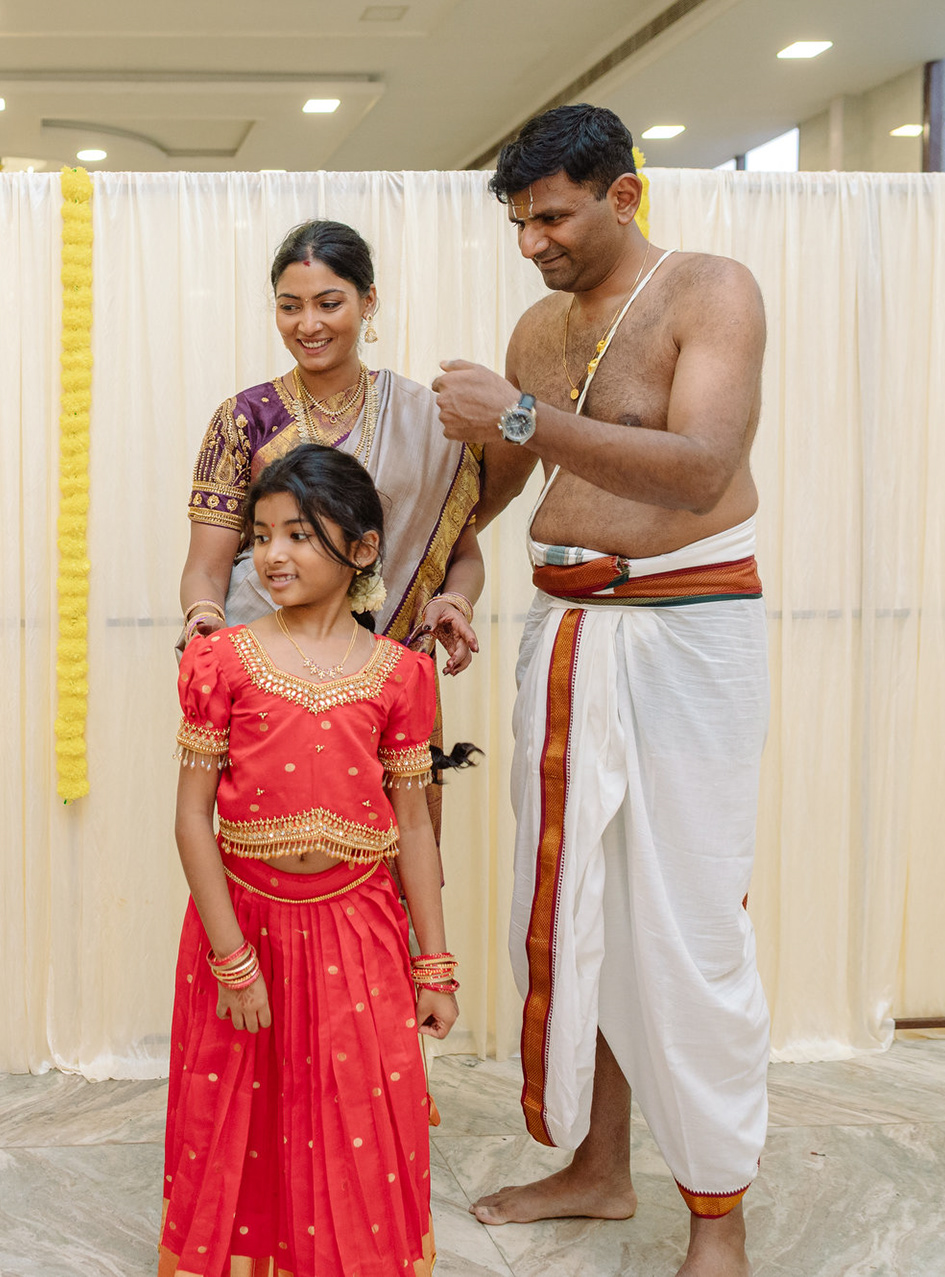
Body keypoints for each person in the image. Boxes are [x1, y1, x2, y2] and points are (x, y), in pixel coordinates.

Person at [432, 103, 770, 1277]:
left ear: (624, 195)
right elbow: (489, 489)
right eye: (521, 224)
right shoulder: (538, 328)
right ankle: (599, 1165)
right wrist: (438, 575)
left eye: (555, 218)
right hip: (566, 629)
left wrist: (522, 413)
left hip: (689, 633)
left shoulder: (710, 291)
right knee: (580, 909)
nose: (534, 243)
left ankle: (718, 1215)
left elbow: (703, 469)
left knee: (688, 924)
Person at [161, 445, 458, 1277]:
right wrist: (231, 959)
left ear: (362, 548)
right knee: (239, 1118)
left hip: (360, 933)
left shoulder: (401, 674)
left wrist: (434, 966)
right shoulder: (222, 661)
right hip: (243, 925)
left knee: (357, 1115)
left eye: (299, 533)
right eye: (261, 536)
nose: (273, 555)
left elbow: (414, 827)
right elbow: (190, 819)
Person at [180, 221, 486, 830]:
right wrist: (205, 623)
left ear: (368, 302)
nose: (308, 324)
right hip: (269, 684)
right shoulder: (244, 420)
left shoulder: (428, 420)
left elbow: (464, 556)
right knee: (269, 842)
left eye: (328, 303)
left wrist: (453, 602)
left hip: (389, 683)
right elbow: (206, 568)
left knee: (398, 852)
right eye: (290, 306)